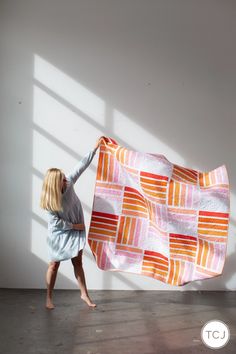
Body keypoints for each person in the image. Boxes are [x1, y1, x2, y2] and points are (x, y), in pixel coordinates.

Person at [40, 136, 104, 310]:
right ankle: (48, 297)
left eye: (64, 177)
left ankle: (84, 294)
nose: (66, 179)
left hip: (75, 229)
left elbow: (81, 165)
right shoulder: (50, 202)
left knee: (78, 262)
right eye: (62, 179)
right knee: (54, 264)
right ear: (55, 184)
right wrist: (75, 226)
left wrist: (95, 148)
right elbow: (57, 224)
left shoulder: (68, 182)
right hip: (59, 233)